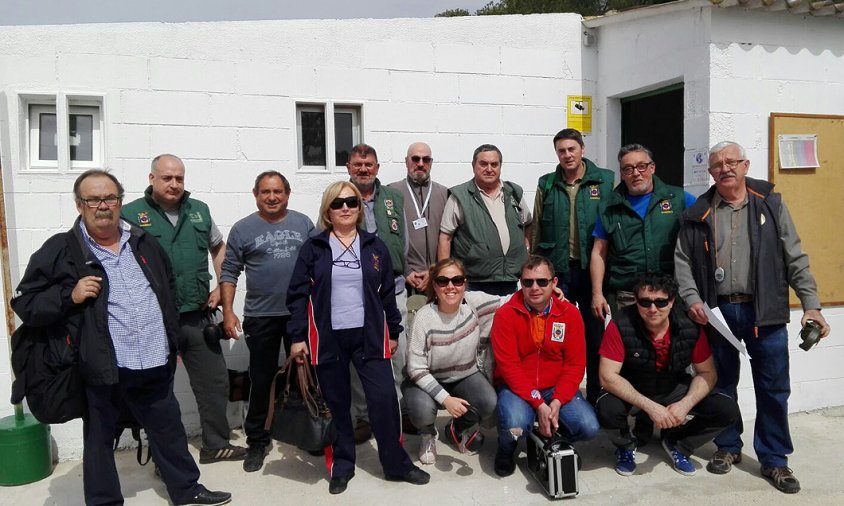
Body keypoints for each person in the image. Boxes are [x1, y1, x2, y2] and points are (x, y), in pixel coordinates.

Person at [12, 170, 230, 506]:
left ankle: (187, 490)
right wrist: (69, 295)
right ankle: (104, 502)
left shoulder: (143, 241)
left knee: (168, 429)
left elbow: (166, 290)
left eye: (110, 198)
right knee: (99, 440)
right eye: (93, 199)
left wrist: (170, 340)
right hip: (104, 366)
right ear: (79, 205)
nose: (103, 206)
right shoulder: (62, 249)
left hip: (154, 359)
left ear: (120, 201)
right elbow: (26, 302)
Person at [674, 141, 830, 493]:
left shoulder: (771, 204)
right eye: (717, 164)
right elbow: (682, 261)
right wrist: (692, 298)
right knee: (722, 383)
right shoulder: (698, 212)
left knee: (773, 388)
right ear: (710, 172)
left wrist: (811, 304)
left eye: (731, 162)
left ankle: (775, 459)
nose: (725, 168)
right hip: (719, 313)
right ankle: (727, 447)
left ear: (745, 165)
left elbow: (795, 256)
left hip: (767, 311)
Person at [287, 181, 430, 494]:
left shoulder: (374, 246)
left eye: (351, 202)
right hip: (328, 337)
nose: (346, 208)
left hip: (369, 336)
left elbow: (387, 296)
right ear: (328, 210)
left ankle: (396, 464)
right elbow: (297, 295)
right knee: (337, 404)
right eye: (338, 204)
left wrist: (393, 331)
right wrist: (298, 336)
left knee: (383, 401)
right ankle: (342, 464)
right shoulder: (314, 248)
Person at [122, 154, 246, 464]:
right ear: (152, 179)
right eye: (167, 177)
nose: (174, 183)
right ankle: (166, 457)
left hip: (197, 316)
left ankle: (216, 444)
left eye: (179, 178)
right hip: (154, 320)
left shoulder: (199, 211)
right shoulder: (130, 214)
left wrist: (221, 285)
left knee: (215, 382)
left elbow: (219, 248)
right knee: (157, 392)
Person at [596, 273, 740, 477]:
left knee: (727, 409)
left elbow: (707, 373)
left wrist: (685, 405)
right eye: (645, 302)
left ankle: (678, 443)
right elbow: (608, 376)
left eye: (661, 302)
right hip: (634, 384)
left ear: (672, 301)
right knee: (606, 408)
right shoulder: (620, 324)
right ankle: (625, 447)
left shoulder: (690, 326)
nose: (653, 309)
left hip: (673, 386)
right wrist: (651, 407)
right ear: (636, 301)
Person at [219, 171, 314, 473]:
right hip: (261, 317)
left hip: (299, 315)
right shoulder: (243, 229)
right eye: (265, 192)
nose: (271, 197)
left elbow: (319, 266)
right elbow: (229, 272)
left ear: (288, 193)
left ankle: (308, 432)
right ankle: (258, 441)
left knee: (305, 377)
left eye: (277, 191)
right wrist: (229, 311)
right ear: (255, 194)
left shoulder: (303, 224)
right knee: (262, 381)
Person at [490, 255, 599, 477]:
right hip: (517, 388)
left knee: (589, 427)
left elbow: (576, 364)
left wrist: (558, 400)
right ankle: (507, 449)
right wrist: (539, 404)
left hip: (554, 387)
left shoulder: (570, 314)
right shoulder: (505, 314)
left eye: (542, 281)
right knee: (515, 425)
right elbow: (509, 366)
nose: (534, 288)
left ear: (554, 283)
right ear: (521, 283)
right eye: (527, 282)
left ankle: (552, 440)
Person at [530, 128, 614, 405]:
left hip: (593, 273)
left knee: (595, 336)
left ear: (582, 150)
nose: (567, 155)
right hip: (559, 273)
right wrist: (537, 272)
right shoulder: (547, 184)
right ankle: (558, 396)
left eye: (571, 149)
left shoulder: (605, 180)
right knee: (555, 335)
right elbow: (538, 229)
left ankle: (596, 397)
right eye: (561, 150)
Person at [403, 258, 500, 465]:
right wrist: (446, 399)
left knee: (489, 402)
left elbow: (510, 300)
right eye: (442, 281)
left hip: (464, 375)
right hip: (427, 378)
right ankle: (428, 435)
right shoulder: (424, 317)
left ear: (464, 283)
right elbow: (416, 368)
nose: (450, 286)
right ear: (434, 285)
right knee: (421, 410)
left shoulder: (473, 303)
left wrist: (549, 292)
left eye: (457, 280)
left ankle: (458, 427)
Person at [346, 143, 410, 442]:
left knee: (397, 354)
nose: (363, 169)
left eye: (368, 164)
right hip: (355, 293)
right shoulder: (340, 198)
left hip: (393, 288)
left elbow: (404, 241)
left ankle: (393, 412)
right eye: (358, 164)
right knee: (360, 355)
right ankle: (362, 416)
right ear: (349, 168)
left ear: (377, 168)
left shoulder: (394, 198)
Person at [590, 143, 696, 319]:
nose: (636, 173)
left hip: (669, 296)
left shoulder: (679, 199)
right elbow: (599, 252)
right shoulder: (608, 207)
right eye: (628, 169)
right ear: (622, 174)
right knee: (630, 345)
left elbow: (705, 229)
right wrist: (597, 294)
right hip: (627, 297)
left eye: (641, 166)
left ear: (652, 168)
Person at [439, 144, 532, 296]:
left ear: (500, 166)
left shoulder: (513, 192)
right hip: (473, 282)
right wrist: (444, 276)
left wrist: (526, 251)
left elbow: (528, 224)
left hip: (509, 279)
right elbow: (445, 237)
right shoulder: (460, 196)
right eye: (483, 164)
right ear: (473, 166)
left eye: (494, 164)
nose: (489, 169)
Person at [388, 142, 449, 295]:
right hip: (405, 279)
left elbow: (451, 239)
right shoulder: (391, 193)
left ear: (431, 163)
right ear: (406, 161)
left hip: (438, 279)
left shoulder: (445, 194)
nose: (420, 164)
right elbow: (388, 239)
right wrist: (406, 270)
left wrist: (435, 270)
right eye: (415, 159)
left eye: (426, 159)